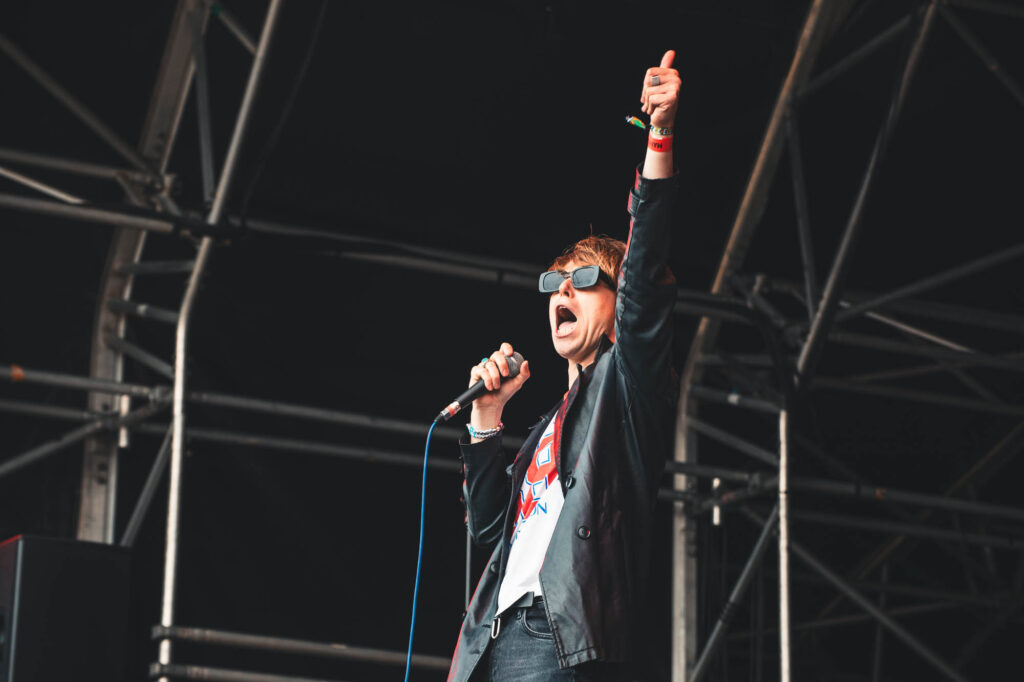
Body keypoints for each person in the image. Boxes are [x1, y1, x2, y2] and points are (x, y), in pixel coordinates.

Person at [448, 51, 682, 682]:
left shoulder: (627, 386)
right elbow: (492, 535)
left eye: (584, 280)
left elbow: (645, 283)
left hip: (557, 632)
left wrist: (657, 135)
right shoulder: (549, 428)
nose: (562, 294)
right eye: (555, 282)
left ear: (615, 304)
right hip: (493, 639)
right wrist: (487, 422)